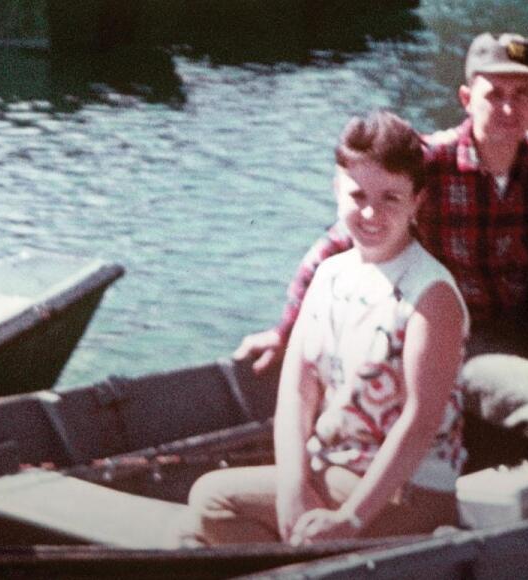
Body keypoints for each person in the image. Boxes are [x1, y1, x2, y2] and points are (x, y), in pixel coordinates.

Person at [235, 32, 528, 483]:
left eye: (520, 95)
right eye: (494, 94)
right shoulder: (430, 163)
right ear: (467, 99)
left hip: (526, 319)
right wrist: (284, 330)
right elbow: (335, 243)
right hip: (460, 342)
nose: (507, 108)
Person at [177, 111, 469, 546]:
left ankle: (327, 550)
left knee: (212, 501)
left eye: (390, 198)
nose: (370, 213)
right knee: (192, 531)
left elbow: (420, 422)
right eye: (358, 195)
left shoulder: (432, 295)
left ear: (417, 201)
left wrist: (349, 520)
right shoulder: (330, 274)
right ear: (337, 190)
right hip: (331, 468)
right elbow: (298, 390)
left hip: (407, 491)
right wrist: (293, 488)